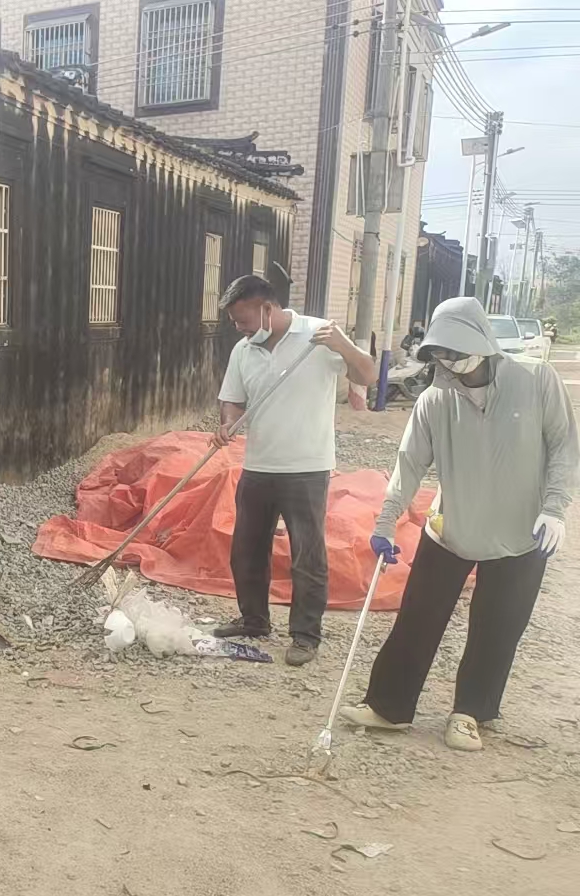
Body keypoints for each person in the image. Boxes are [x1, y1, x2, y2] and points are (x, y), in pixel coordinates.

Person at [341, 296, 578, 750]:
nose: (450, 362)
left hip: (520, 531)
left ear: (482, 342)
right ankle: (389, 707)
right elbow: (409, 463)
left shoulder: (535, 379)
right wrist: (386, 521)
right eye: (441, 353)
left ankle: (470, 713)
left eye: (456, 351)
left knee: (498, 626)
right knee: (418, 617)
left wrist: (554, 507)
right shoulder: (434, 399)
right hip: (451, 528)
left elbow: (563, 446)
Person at [210, 275, 380, 666]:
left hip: (307, 467)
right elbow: (232, 400)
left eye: (243, 320)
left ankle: (305, 635)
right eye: (234, 321)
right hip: (258, 464)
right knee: (247, 549)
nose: (239, 328)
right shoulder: (243, 350)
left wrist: (344, 345)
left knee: (307, 554)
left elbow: (367, 375)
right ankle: (253, 619)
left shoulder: (318, 336)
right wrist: (228, 423)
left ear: (267, 309)